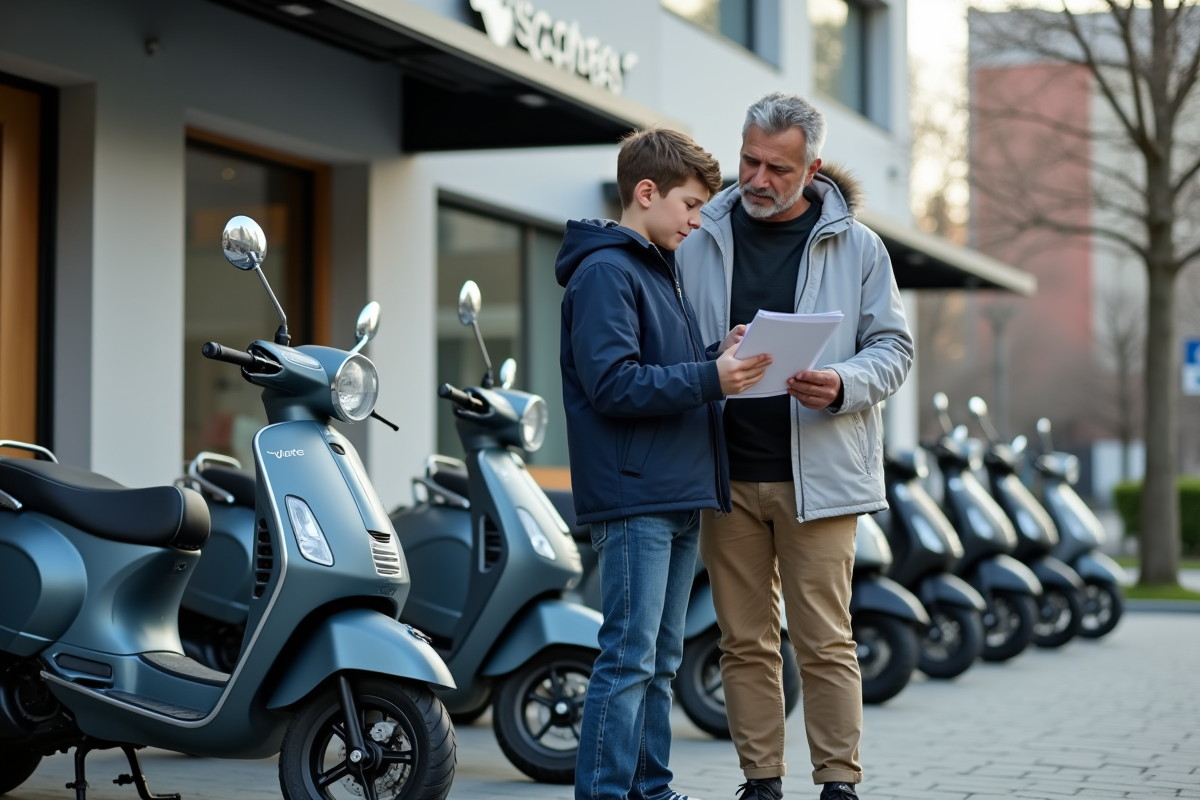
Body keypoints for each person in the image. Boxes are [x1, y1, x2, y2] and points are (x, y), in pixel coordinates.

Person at [676, 93, 914, 800]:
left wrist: (842, 382)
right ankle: (761, 784)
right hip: (725, 473)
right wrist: (707, 358)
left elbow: (894, 348)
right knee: (743, 642)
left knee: (825, 641)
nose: (755, 178)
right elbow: (668, 337)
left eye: (776, 168)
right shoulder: (700, 230)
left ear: (810, 169)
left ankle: (838, 784)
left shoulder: (859, 246)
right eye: (749, 159)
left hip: (821, 477)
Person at [557, 128, 771, 800]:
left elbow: (659, 368)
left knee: (660, 663)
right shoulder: (605, 273)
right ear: (645, 192)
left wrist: (717, 349)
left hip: (674, 495)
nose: (698, 218)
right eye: (690, 203)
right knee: (628, 659)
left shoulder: (653, 265)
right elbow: (615, 384)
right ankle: (606, 794)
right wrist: (713, 376)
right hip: (635, 498)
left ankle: (651, 791)